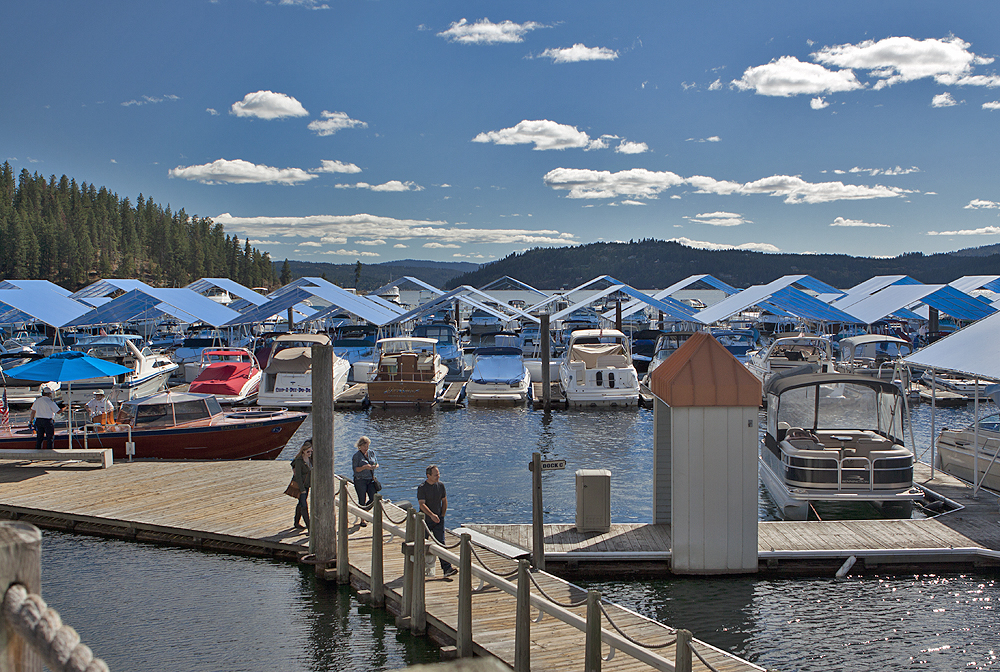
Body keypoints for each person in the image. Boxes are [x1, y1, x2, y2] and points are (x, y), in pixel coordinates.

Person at [417, 464, 456, 577]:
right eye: (435, 475)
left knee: (441, 543)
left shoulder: (441, 486)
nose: (438, 476)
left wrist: (442, 515)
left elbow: (444, 500)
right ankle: (418, 567)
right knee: (421, 544)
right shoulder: (422, 488)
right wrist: (431, 515)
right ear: (428, 475)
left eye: (438, 474)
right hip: (425, 520)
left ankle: (447, 569)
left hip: (438, 520)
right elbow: (422, 504)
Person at [352, 436, 378, 525]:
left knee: (374, 498)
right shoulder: (356, 456)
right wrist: (364, 467)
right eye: (364, 446)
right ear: (360, 446)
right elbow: (355, 469)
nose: (366, 448)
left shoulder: (371, 453)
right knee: (362, 499)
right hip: (360, 480)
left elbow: (376, 463)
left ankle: (365, 512)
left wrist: (374, 466)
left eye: (367, 446)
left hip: (370, 479)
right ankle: (362, 519)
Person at [291, 439, 313, 530]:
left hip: (307, 484)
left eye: (311, 451)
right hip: (302, 486)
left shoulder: (311, 459)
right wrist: (301, 489)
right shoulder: (299, 461)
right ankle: (309, 526)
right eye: (308, 451)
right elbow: (298, 477)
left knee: (300, 503)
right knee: (304, 505)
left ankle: (296, 522)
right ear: (303, 451)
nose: (310, 453)